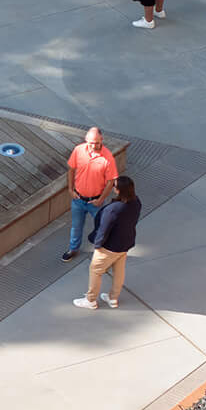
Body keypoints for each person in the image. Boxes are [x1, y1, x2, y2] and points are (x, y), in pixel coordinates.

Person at [76, 175, 142, 311]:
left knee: (95, 270)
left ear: (118, 190)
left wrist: (97, 245)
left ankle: (90, 300)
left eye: (114, 186)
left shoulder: (113, 209)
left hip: (109, 247)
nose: (113, 187)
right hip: (125, 243)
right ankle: (113, 298)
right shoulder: (136, 202)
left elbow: (103, 229)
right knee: (119, 271)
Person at [61, 127, 119, 263]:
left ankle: (102, 253)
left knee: (102, 228)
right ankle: (73, 249)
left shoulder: (108, 157)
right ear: (86, 140)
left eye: (97, 143)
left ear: (101, 140)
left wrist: (101, 199)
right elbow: (71, 170)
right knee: (76, 227)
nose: (94, 146)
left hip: (96, 202)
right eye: (91, 143)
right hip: (78, 199)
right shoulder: (78, 150)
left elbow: (111, 181)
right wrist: (70, 189)